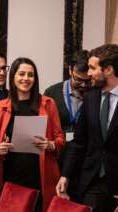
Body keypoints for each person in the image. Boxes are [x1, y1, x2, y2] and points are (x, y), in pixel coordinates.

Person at [56, 44, 118, 212]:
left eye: (92, 68)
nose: (88, 73)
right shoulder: (90, 99)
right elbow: (79, 142)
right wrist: (65, 175)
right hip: (91, 183)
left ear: (108, 70)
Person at [0, 57, 65, 212]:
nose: (26, 79)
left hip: (39, 175)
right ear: (13, 76)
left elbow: (60, 138)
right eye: (21, 74)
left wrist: (51, 144)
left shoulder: (48, 104)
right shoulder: (0, 107)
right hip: (9, 175)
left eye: (31, 75)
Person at [44, 50, 90, 200]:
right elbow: (45, 126)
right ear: (70, 70)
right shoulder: (52, 92)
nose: (83, 85)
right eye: (78, 80)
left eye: (87, 80)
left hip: (84, 160)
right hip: (58, 157)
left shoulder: (95, 94)